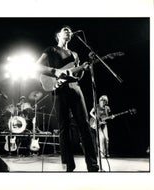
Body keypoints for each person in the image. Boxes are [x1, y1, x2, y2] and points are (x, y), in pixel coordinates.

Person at [36, 25, 99, 172]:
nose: (68, 31)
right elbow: (36, 67)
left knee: (84, 126)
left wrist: (84, 68)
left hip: (75, 88)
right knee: (64, 128)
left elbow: (76, 75)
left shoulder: (75, 54)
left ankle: (93, 165)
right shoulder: (51, 50)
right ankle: (68, 165)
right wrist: (54, 71)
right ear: (58, 34)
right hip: (59, 90)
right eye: (65, 29)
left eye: (69, 31)